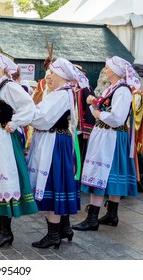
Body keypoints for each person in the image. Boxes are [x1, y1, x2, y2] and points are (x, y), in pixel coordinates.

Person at [72, 56, 141, 232]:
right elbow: (105, 108)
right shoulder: (113, 88)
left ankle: (93, 218)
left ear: (116, 72)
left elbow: (117, 117)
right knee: (108, 173)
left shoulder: (122, 91)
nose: (105, 71)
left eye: (107, 68)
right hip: (106, 135)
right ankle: (111, 215)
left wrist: (97, 114)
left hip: (112, 136)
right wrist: (93, 104)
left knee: (101, 172)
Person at [0, 52, 38, 248]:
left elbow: (28, 106)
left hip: (3, 139)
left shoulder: (9, 86)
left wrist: (15, 123)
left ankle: (6, 231)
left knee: (3, 180)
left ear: (3, 68)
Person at [27, 57, 89, 249]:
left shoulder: (60, 95)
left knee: (53, 185)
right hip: (58, 140)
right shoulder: (66, 92)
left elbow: (43, 119)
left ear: (62, 75)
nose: (49, 77)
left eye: (52, 73)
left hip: (54, 142)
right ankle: (64, 227)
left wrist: (25, 112)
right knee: (59, 183)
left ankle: (53, 234)